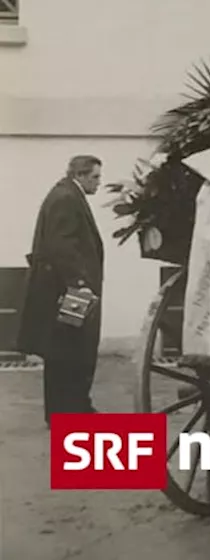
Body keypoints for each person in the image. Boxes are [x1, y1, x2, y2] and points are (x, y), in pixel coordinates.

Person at [18, 156, 106, 427]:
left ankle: (73, 407)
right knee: (71, 350)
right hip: (70, 290)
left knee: (66, 351)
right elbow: (62, 245)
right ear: (80, 175)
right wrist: (79, 283)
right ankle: (68, 411)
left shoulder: (65, 193)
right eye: (95, 177)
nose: (99, 183)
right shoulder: (67, 198)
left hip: (67, 288)